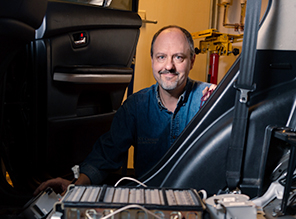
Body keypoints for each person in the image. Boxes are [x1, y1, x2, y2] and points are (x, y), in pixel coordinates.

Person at [34, 25, 216, 196]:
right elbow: (107, 154)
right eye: (161, 57)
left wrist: (225, 106)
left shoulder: (210, 100)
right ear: (152, 60)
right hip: (147, 201)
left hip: (197, 199)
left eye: (178, 57)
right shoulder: (136, 106)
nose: (169, 66)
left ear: (192, 61)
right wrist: (76, 186)